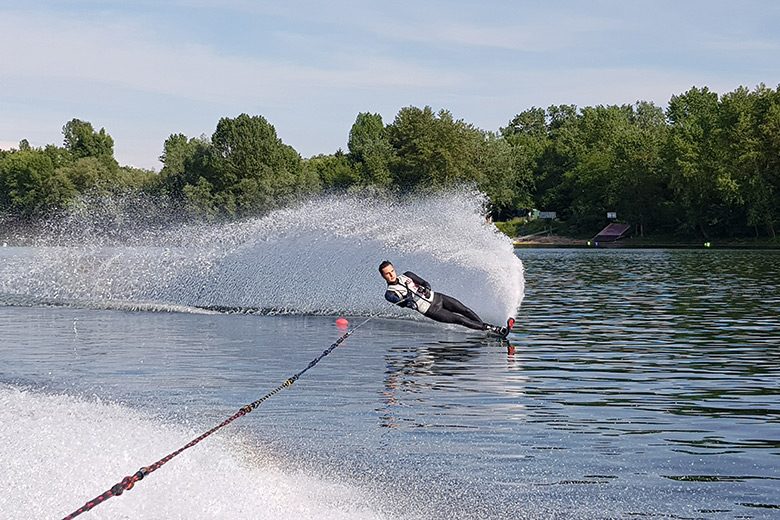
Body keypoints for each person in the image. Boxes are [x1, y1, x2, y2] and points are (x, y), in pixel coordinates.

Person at [378, 260, 512, 336]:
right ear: (383, 276)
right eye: (387, 274)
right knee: (460, 319)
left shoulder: (407, 274)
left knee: (465, 310)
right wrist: (409, 302)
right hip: (432, 310)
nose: (391, 275)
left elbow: (425, 283)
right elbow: (400, 302)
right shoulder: (389, 293)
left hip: (438, 298)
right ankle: (494, 329)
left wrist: (426, 288)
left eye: (392, 271)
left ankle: (484, 328)